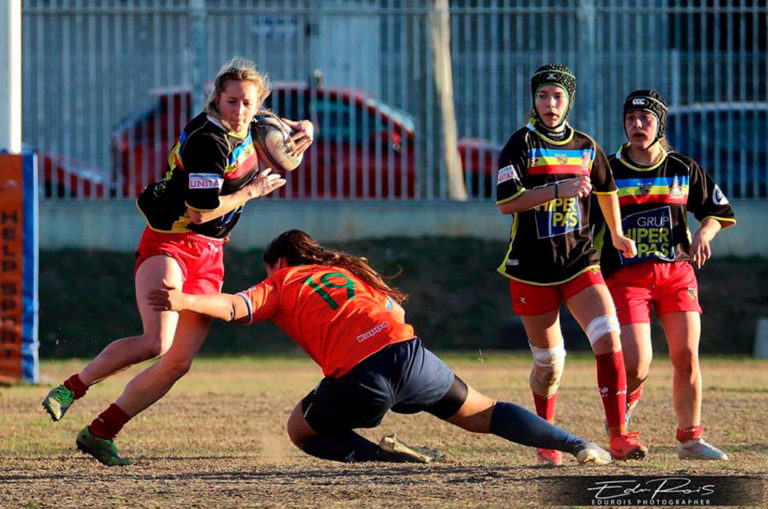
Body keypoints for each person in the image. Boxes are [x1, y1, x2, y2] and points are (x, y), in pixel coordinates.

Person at [41, 57, 314, 466]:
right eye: (231, 101)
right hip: (170, 240)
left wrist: (307, 128)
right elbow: (201, 213)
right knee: (156, 342)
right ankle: (71, 388)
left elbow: (286, 124)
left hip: (211, 253)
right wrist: (251, 192)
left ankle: (100, 432)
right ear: (216, 100)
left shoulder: (254, 119)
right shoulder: (209, 141)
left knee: (177, 363)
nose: (240, 111)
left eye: (247, 103)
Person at [147, 229, 613, 466]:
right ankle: (579, 445)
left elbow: (233, 306)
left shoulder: (283, 280)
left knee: (299, 430)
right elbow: (397, 312)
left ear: (281, 262)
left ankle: (380, 457)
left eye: (270, 269)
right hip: (409, 356)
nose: (269, 276)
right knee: (486, 414)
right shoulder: (348, 274)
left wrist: (184, 299)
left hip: (360, 377)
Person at [495, 63, 648, 464]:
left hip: (580, 261)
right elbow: (506, 203)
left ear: (569, 102)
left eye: (557, 96)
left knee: (609, 338)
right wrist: (557, 189)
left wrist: (617, 234)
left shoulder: (585, 145)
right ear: (534, 101)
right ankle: (547, 438)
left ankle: (619, 435)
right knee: (549, 364)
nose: (550, 103)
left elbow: (606, 189)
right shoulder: (521, 144)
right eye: (543, 96)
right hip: (531, 268)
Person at [596, 90, 735, 460]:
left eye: (645, 118)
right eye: (630, 118)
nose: (637, 125)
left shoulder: (682, 168)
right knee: (636, 363)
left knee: (686, 356)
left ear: (660, 124)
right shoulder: (608, 170)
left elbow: (718, 212)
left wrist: (704, 234)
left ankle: (690, 440)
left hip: (676, 275)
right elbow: (585, 225)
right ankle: (625, 406)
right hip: (626, 278)